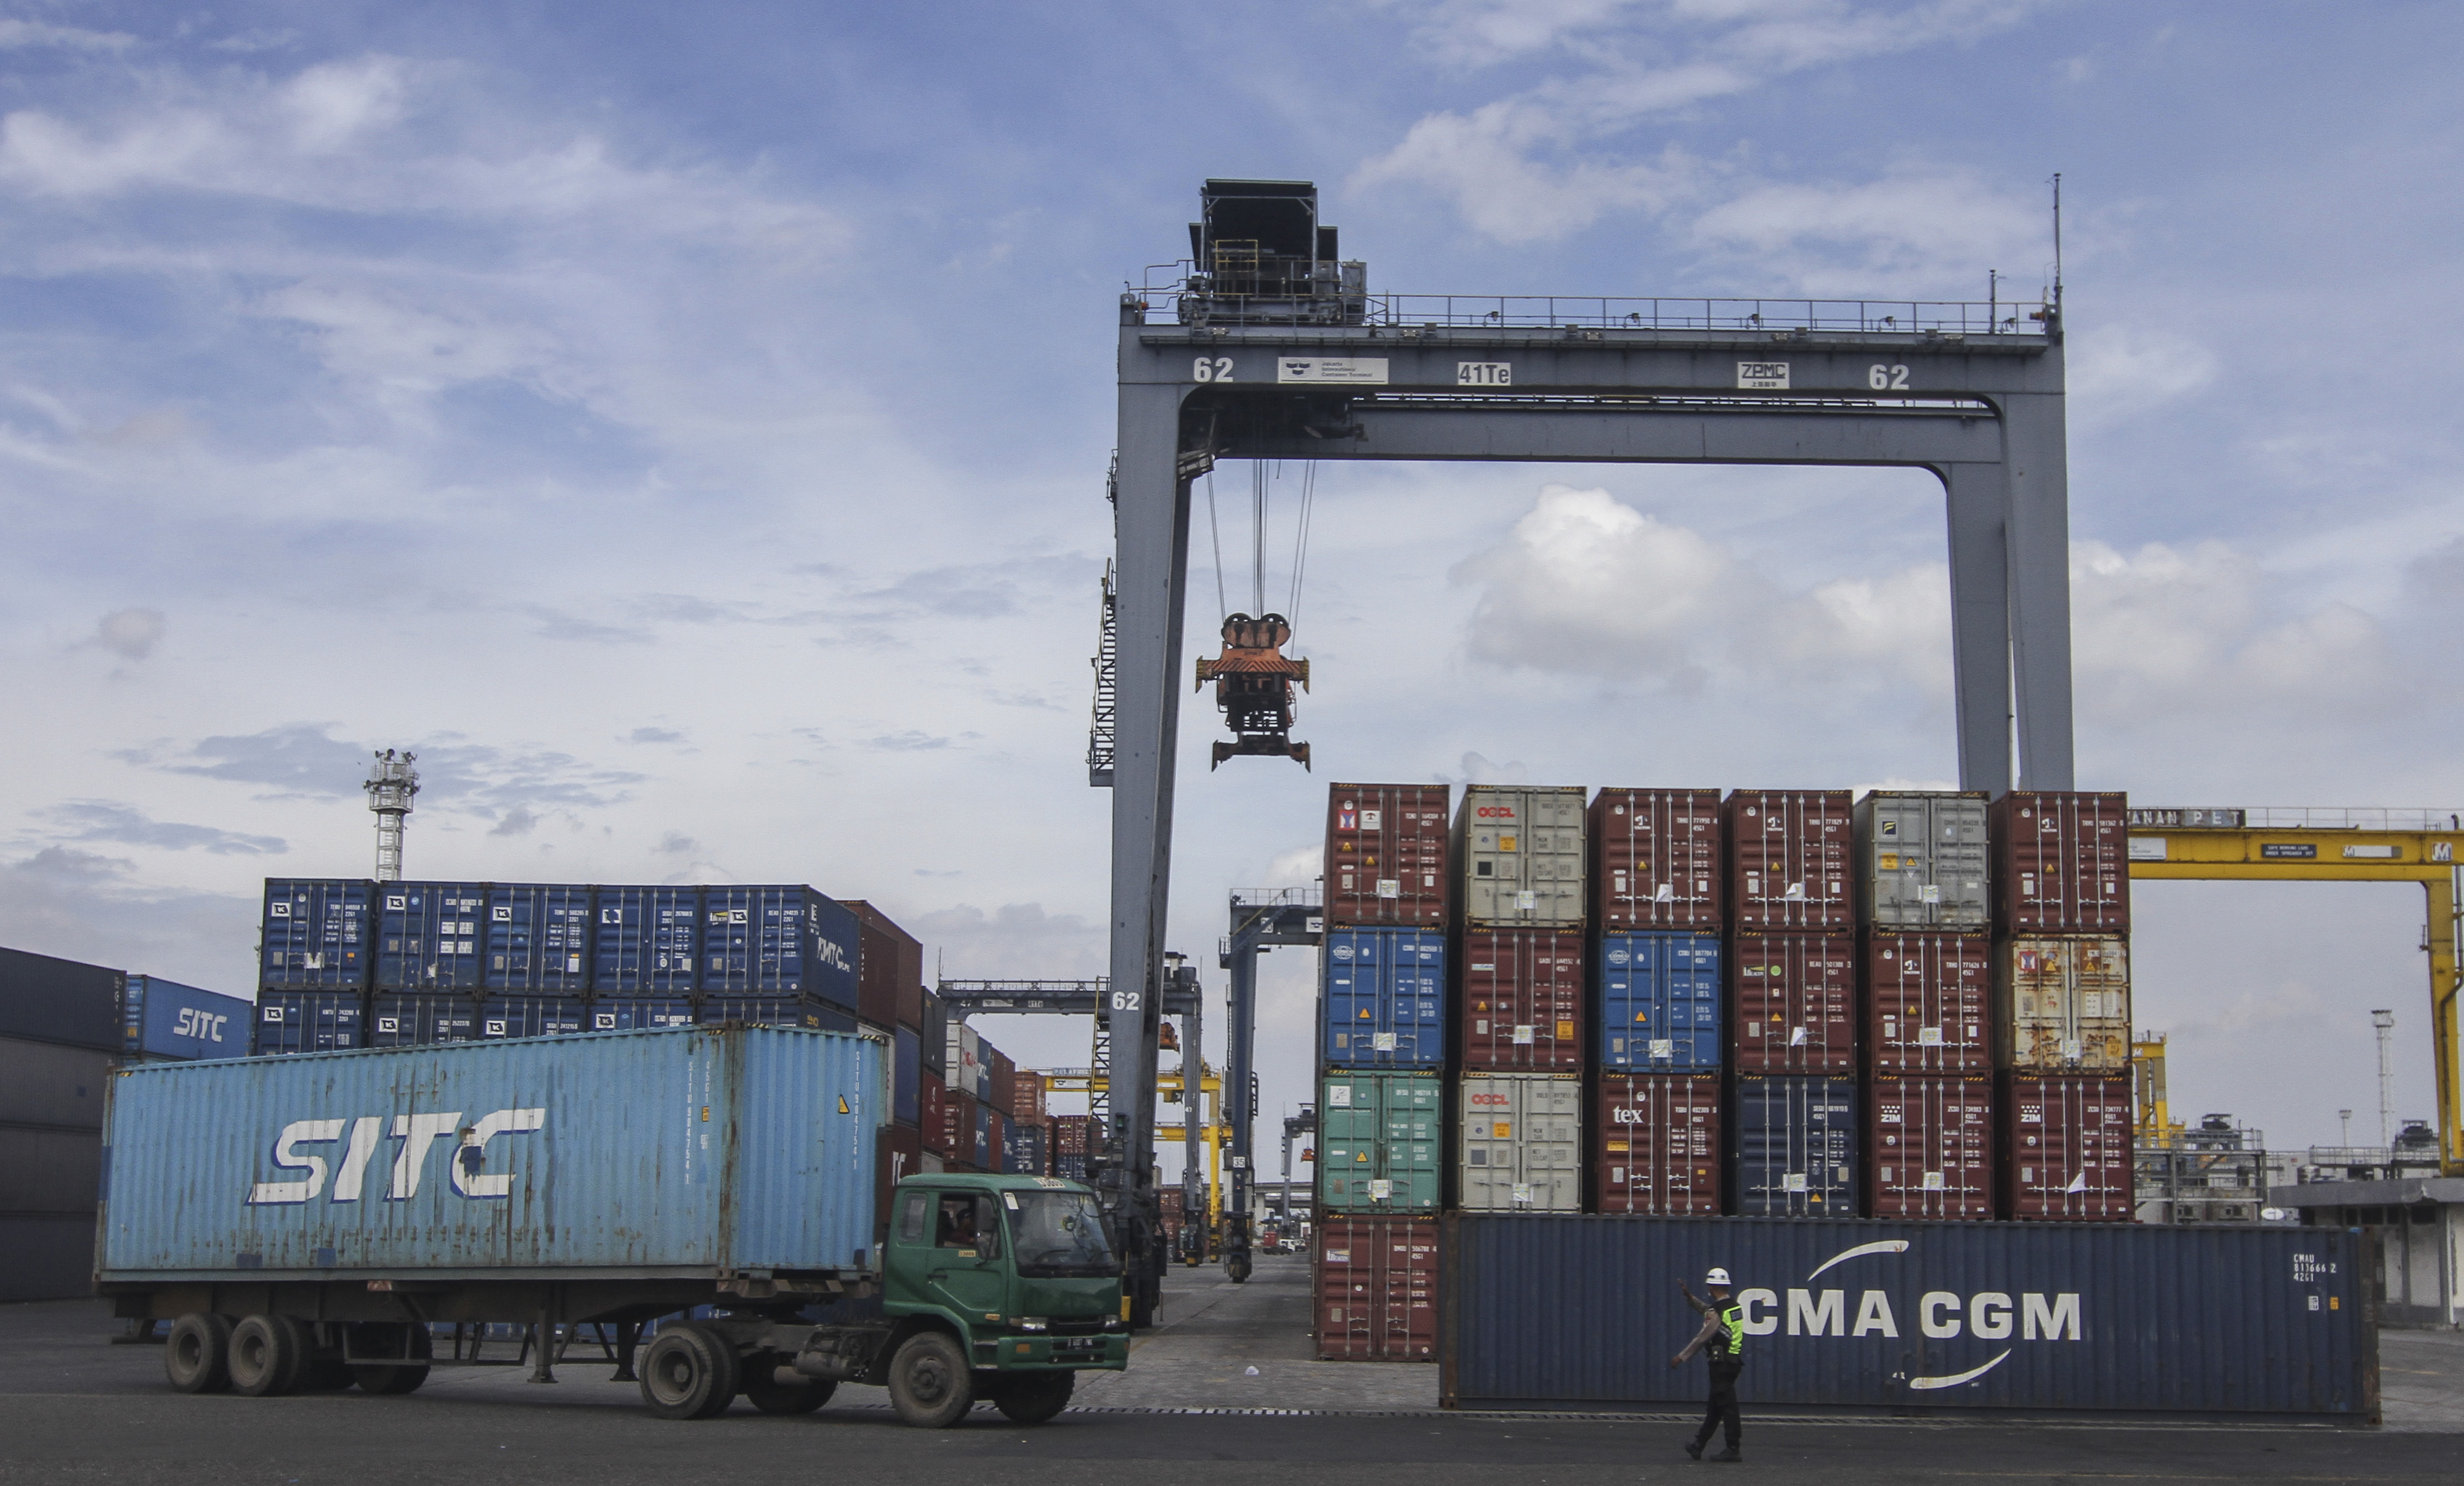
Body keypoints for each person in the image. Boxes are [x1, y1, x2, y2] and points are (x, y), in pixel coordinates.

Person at [1669, 1266, 1745, 1462]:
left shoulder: (1717, 1311)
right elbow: (1707, 1311)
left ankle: (1733, 1448)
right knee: (1716, 1407)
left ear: (1711, 1288)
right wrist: (1690, 1298)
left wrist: (1681, 1357)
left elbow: (1702, 1337)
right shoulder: (1733, 1306)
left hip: (1721, 1365)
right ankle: (1698, 1445)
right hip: (1733, 1361)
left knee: (1727, 1407)